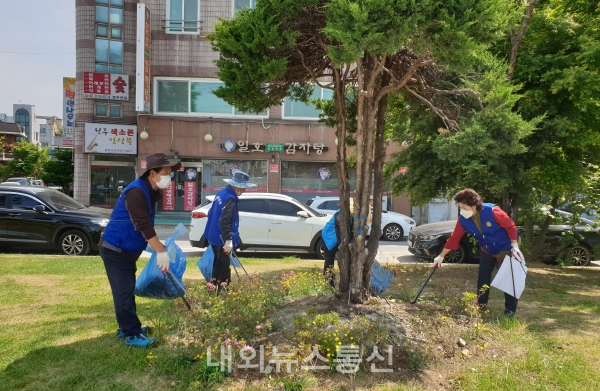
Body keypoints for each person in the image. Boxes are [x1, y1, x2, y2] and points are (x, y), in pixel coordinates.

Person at [100, 153, 181, 347]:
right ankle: (131, 334)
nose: (169, 178)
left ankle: (127, 327)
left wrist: (159, 247)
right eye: (166, 173)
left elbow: (147, 226)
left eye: (170, 173)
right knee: (124, 292)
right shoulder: (136, 192)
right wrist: (160, 252)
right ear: (152, 174)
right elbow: (142, 224)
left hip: (125, 250)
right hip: (115, 249)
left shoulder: (149, 190)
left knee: (125, 289)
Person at [434, 188, 525, 316]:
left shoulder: (492, 211)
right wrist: (441, 256)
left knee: (509, 280)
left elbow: (510, 226)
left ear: (474, 205)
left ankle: (509, 311)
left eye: (465, 208)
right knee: (483, 278)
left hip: (507, 248)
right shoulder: (463, 220)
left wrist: (514, 246)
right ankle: (481, 307)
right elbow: (454, 238)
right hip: (487, 249)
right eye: (460, 208)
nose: (462, 211)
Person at [203, 171, 256, 290]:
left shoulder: (221, 193)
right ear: (238, 186)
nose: (244, 191)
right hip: (221, 239)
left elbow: (211, 213)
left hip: (215, 237)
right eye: (244, 188)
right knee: (223, 266)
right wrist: (228, 240)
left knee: (217, 265)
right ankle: (222, 291)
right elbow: (224, 221)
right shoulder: (230, 198)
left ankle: (213, 288)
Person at [321, 199, 371, 287]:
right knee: (329, 261)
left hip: (337, 238)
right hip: (329, 238)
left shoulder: (351, 216)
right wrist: (343, 246)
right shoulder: (340, 215)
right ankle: (329, 283)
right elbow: (339, 233)